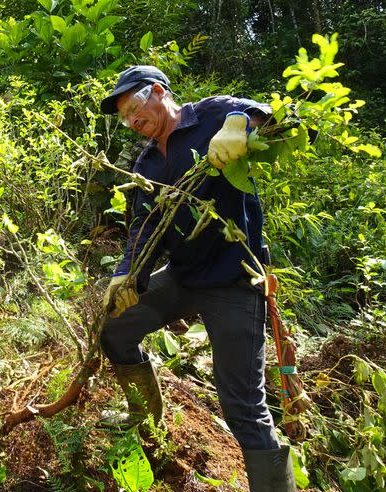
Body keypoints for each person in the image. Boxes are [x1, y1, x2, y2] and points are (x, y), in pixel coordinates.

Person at [98, 65, 296, 491]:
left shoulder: (211, 114)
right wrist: (126, 274)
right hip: (184, 278)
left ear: (157, 91)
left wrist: (241, 123)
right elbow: (145, 226)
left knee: (243, 407)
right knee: (114, 330)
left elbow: (276, 118)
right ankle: (146, 420)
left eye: (134, 107)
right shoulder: (147, 161)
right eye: (124, 117)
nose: (133, 121)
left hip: (234, 282)